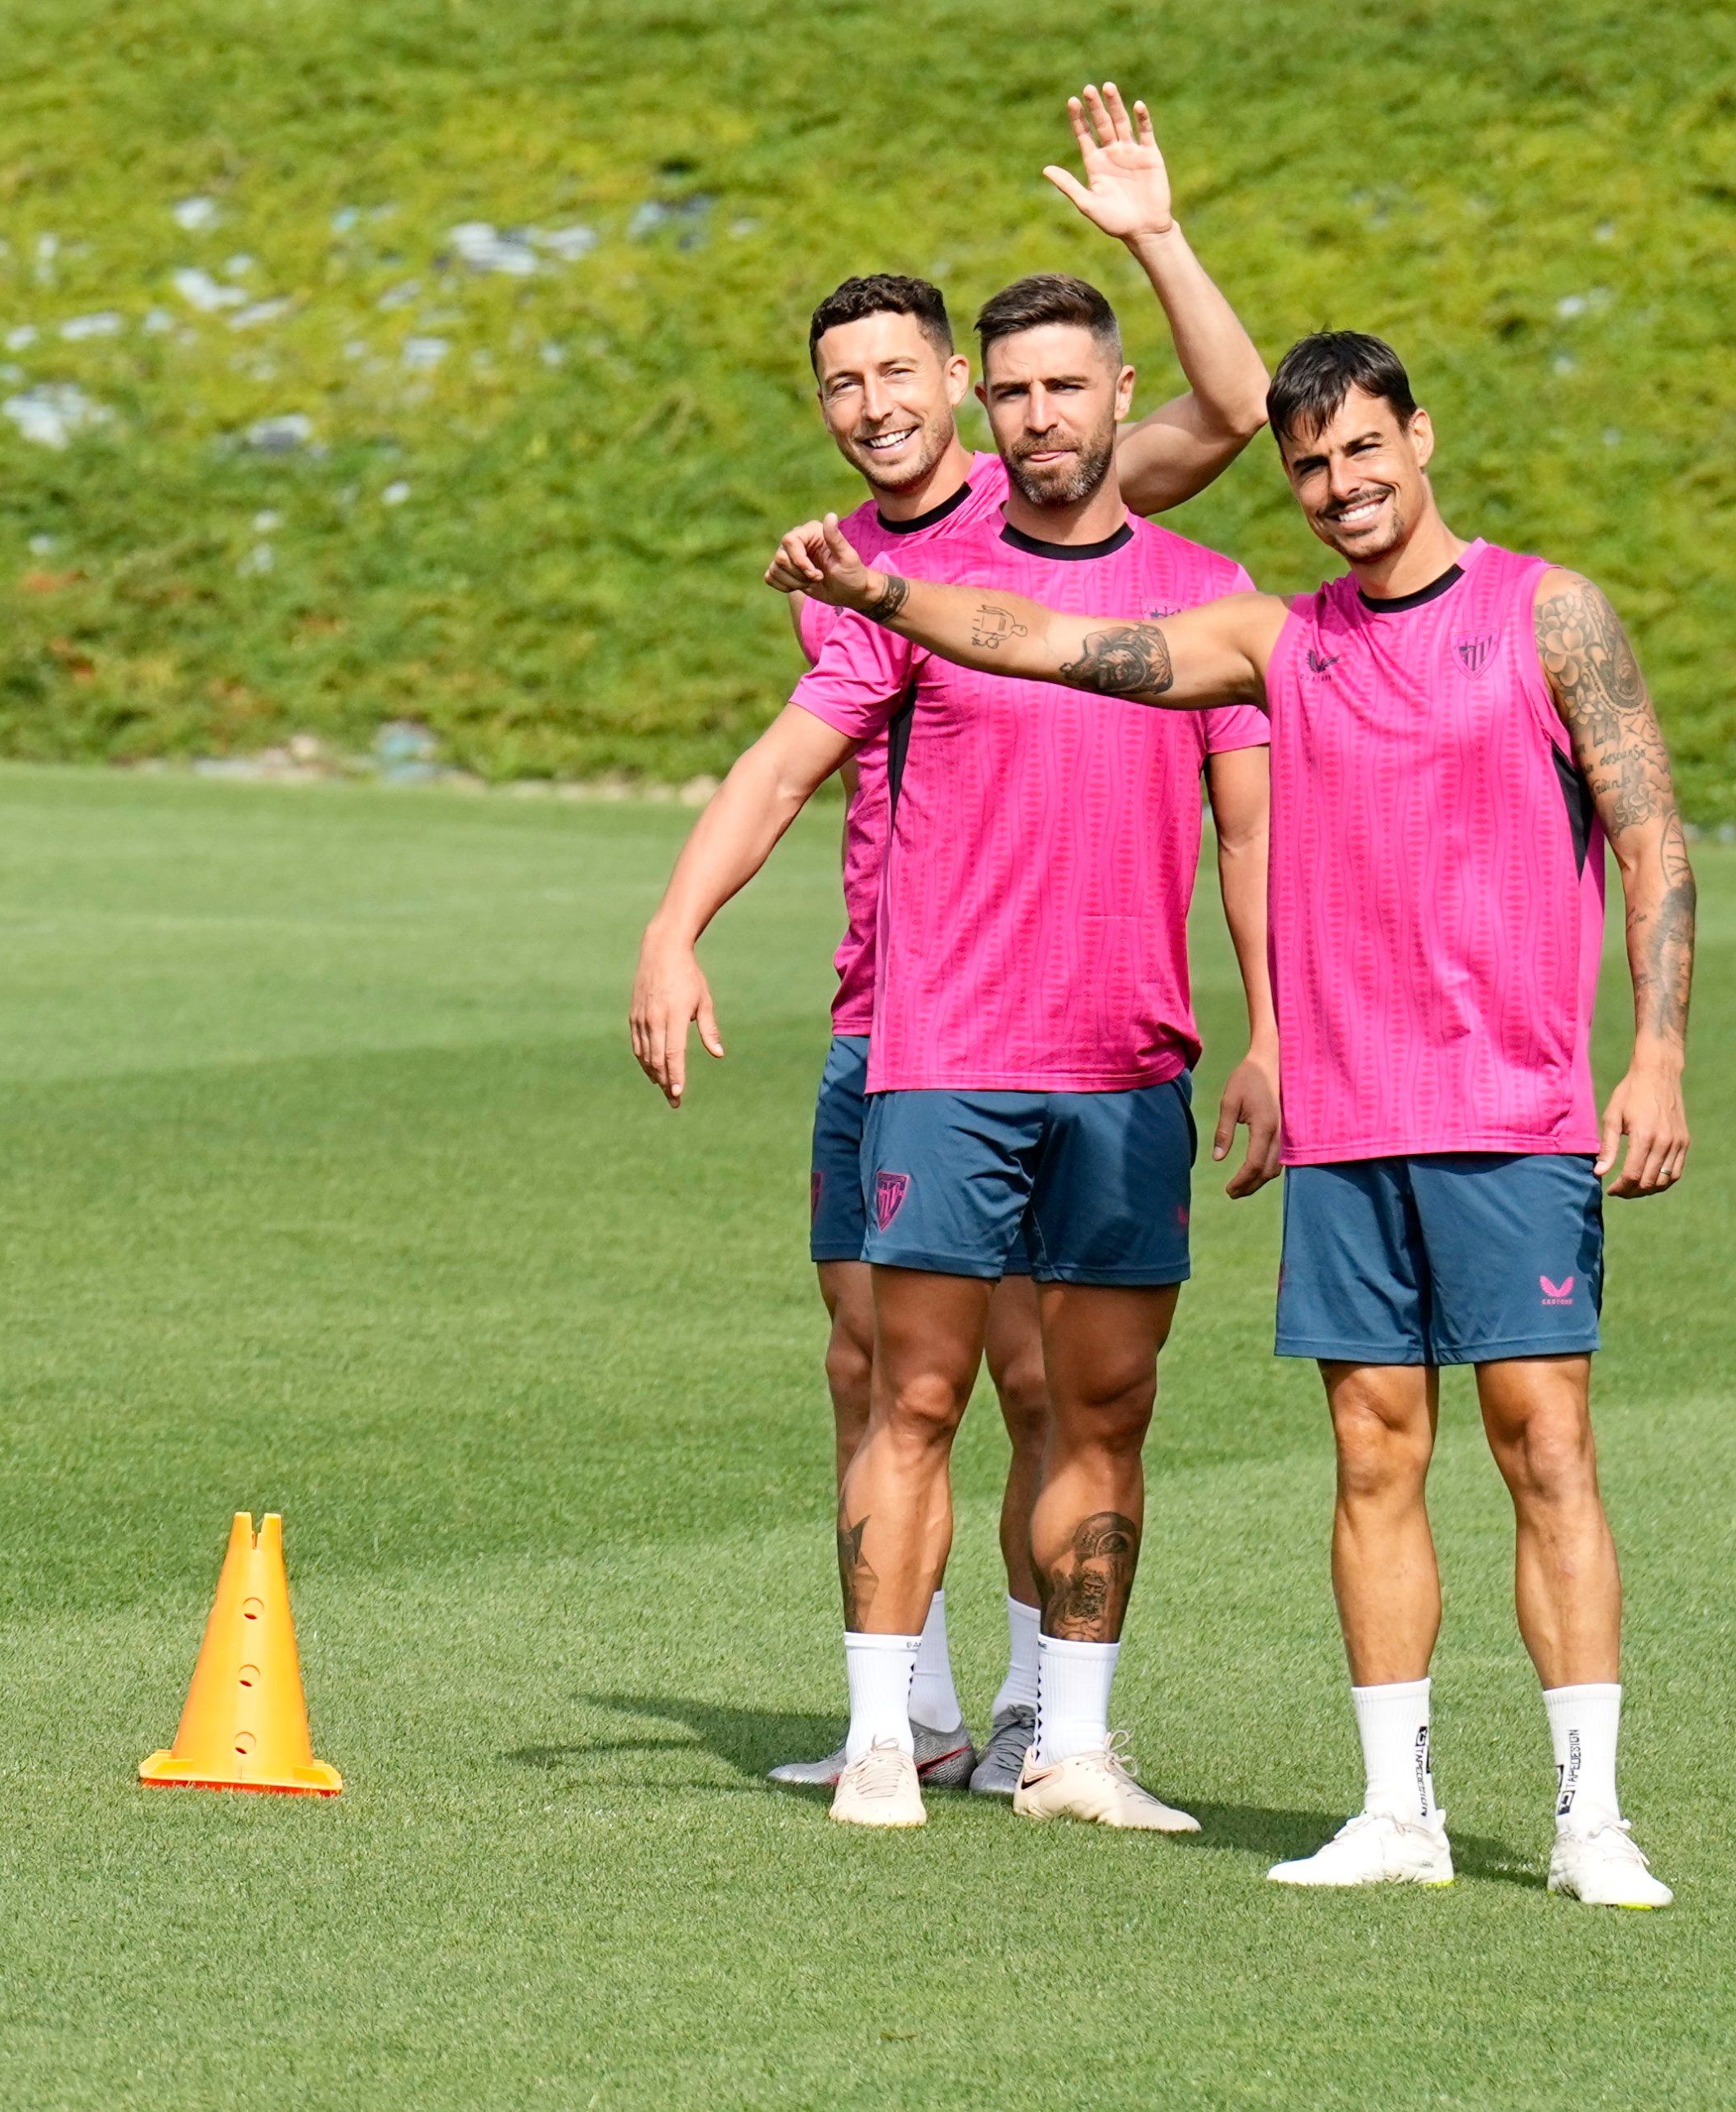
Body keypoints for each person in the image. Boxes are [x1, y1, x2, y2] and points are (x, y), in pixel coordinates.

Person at [766, 330, 1689, 1906]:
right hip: (1345, 1119)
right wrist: (888, 595)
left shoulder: (1547, 613)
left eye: (1364, 453)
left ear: (1422, 436)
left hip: (1516, 1110)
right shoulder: (1278, 638)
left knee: (1549, 1449)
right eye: (1311, 466)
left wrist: (1656, 1051)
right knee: (1371, 1453)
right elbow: (1051, 641)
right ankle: (1397, 1809)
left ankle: (1589, 1817)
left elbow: (1652, 834)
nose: (1341, 488)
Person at [635, 85, 1274, 1799]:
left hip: (1104, 1044)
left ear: (974, 397)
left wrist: (1147, 229)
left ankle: (1034, 1724)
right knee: (885, 1372)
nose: (870, 407)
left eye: (897, 376)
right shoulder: (864, 582)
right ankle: (897, 1723)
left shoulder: (1120, 549)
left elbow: (1232, 409)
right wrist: (674, 923)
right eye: (838, 385)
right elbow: (782, 763)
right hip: (909, 1029)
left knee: (1055, 1387)